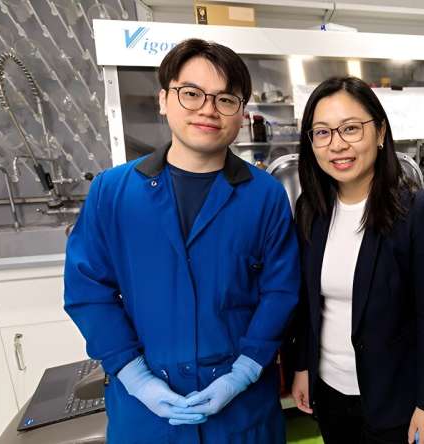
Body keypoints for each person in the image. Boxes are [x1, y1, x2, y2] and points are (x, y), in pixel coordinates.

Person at [63, 39, 299, 444]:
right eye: (191, 93)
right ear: (164, 100)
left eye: (225, 99)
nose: (208, 109)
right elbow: (88, 291)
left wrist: (243, 372)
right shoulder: (113, 193)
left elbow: (281, 291)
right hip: (147, 420)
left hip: (241, 416)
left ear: (241, 113)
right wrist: (135, 376)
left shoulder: (265, 196)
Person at [290, 76, 424, 444]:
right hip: (329, 391)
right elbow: (308, 305)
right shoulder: (311, 208)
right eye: (322, 132)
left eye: (350, 128)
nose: (337, 145)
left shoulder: (416, 210)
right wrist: (303, 367)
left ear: (379, 132)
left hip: (392, 398)